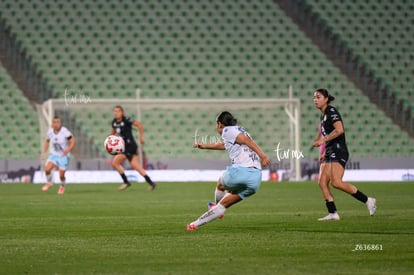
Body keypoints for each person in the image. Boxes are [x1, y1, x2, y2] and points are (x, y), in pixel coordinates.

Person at [187, 111, 270, 230]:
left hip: (240, 172)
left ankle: (213, 208)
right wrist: (204, 146)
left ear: (220, 124)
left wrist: (263, 156)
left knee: (220, 184)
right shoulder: (238, 130)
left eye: (216, 125)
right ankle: (194, 224)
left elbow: (246, 141)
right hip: (255, 179)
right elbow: (225, 145)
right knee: (224, 204)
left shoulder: (227, 130)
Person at [312, 88, 376, 220]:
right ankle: (333, 213)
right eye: (314, 97)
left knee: (336, 182)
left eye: (318, 97)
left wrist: (322, 140)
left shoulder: (331, 111)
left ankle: (368, 200)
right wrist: (324, 152)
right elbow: (329, 135)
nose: (315, 100)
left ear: (326, 99)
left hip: (338, 149)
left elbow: (339, 130)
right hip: (330, 150)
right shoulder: (323, 115)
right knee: (322, 182)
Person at [110, 105, 156, 191]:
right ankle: (151, 183)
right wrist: (110, 141)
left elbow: (139, 124)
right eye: (114, 111)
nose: (116, 113)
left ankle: (126, 182)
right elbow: (113, 133)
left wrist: (141, 137)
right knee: (136, 166)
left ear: (122, 112)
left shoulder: (126, 120)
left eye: (118, 111)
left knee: (115, 162)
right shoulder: (114, 122)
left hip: (130, 145)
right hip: (125, 146)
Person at [41, 116, 75, 195]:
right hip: (54, 154)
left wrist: (68, 150)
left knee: (61, 176)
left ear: (60, 123)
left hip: (63, 156)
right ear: (52, 123)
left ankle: (62, 186)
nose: (56, 124)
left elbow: (73, 141)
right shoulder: (50, 132)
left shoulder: (65, 131)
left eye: (58, 122)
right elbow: (47, 141)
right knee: (47, 169)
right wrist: (43, 152)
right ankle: (49, 182)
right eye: (55, 122)